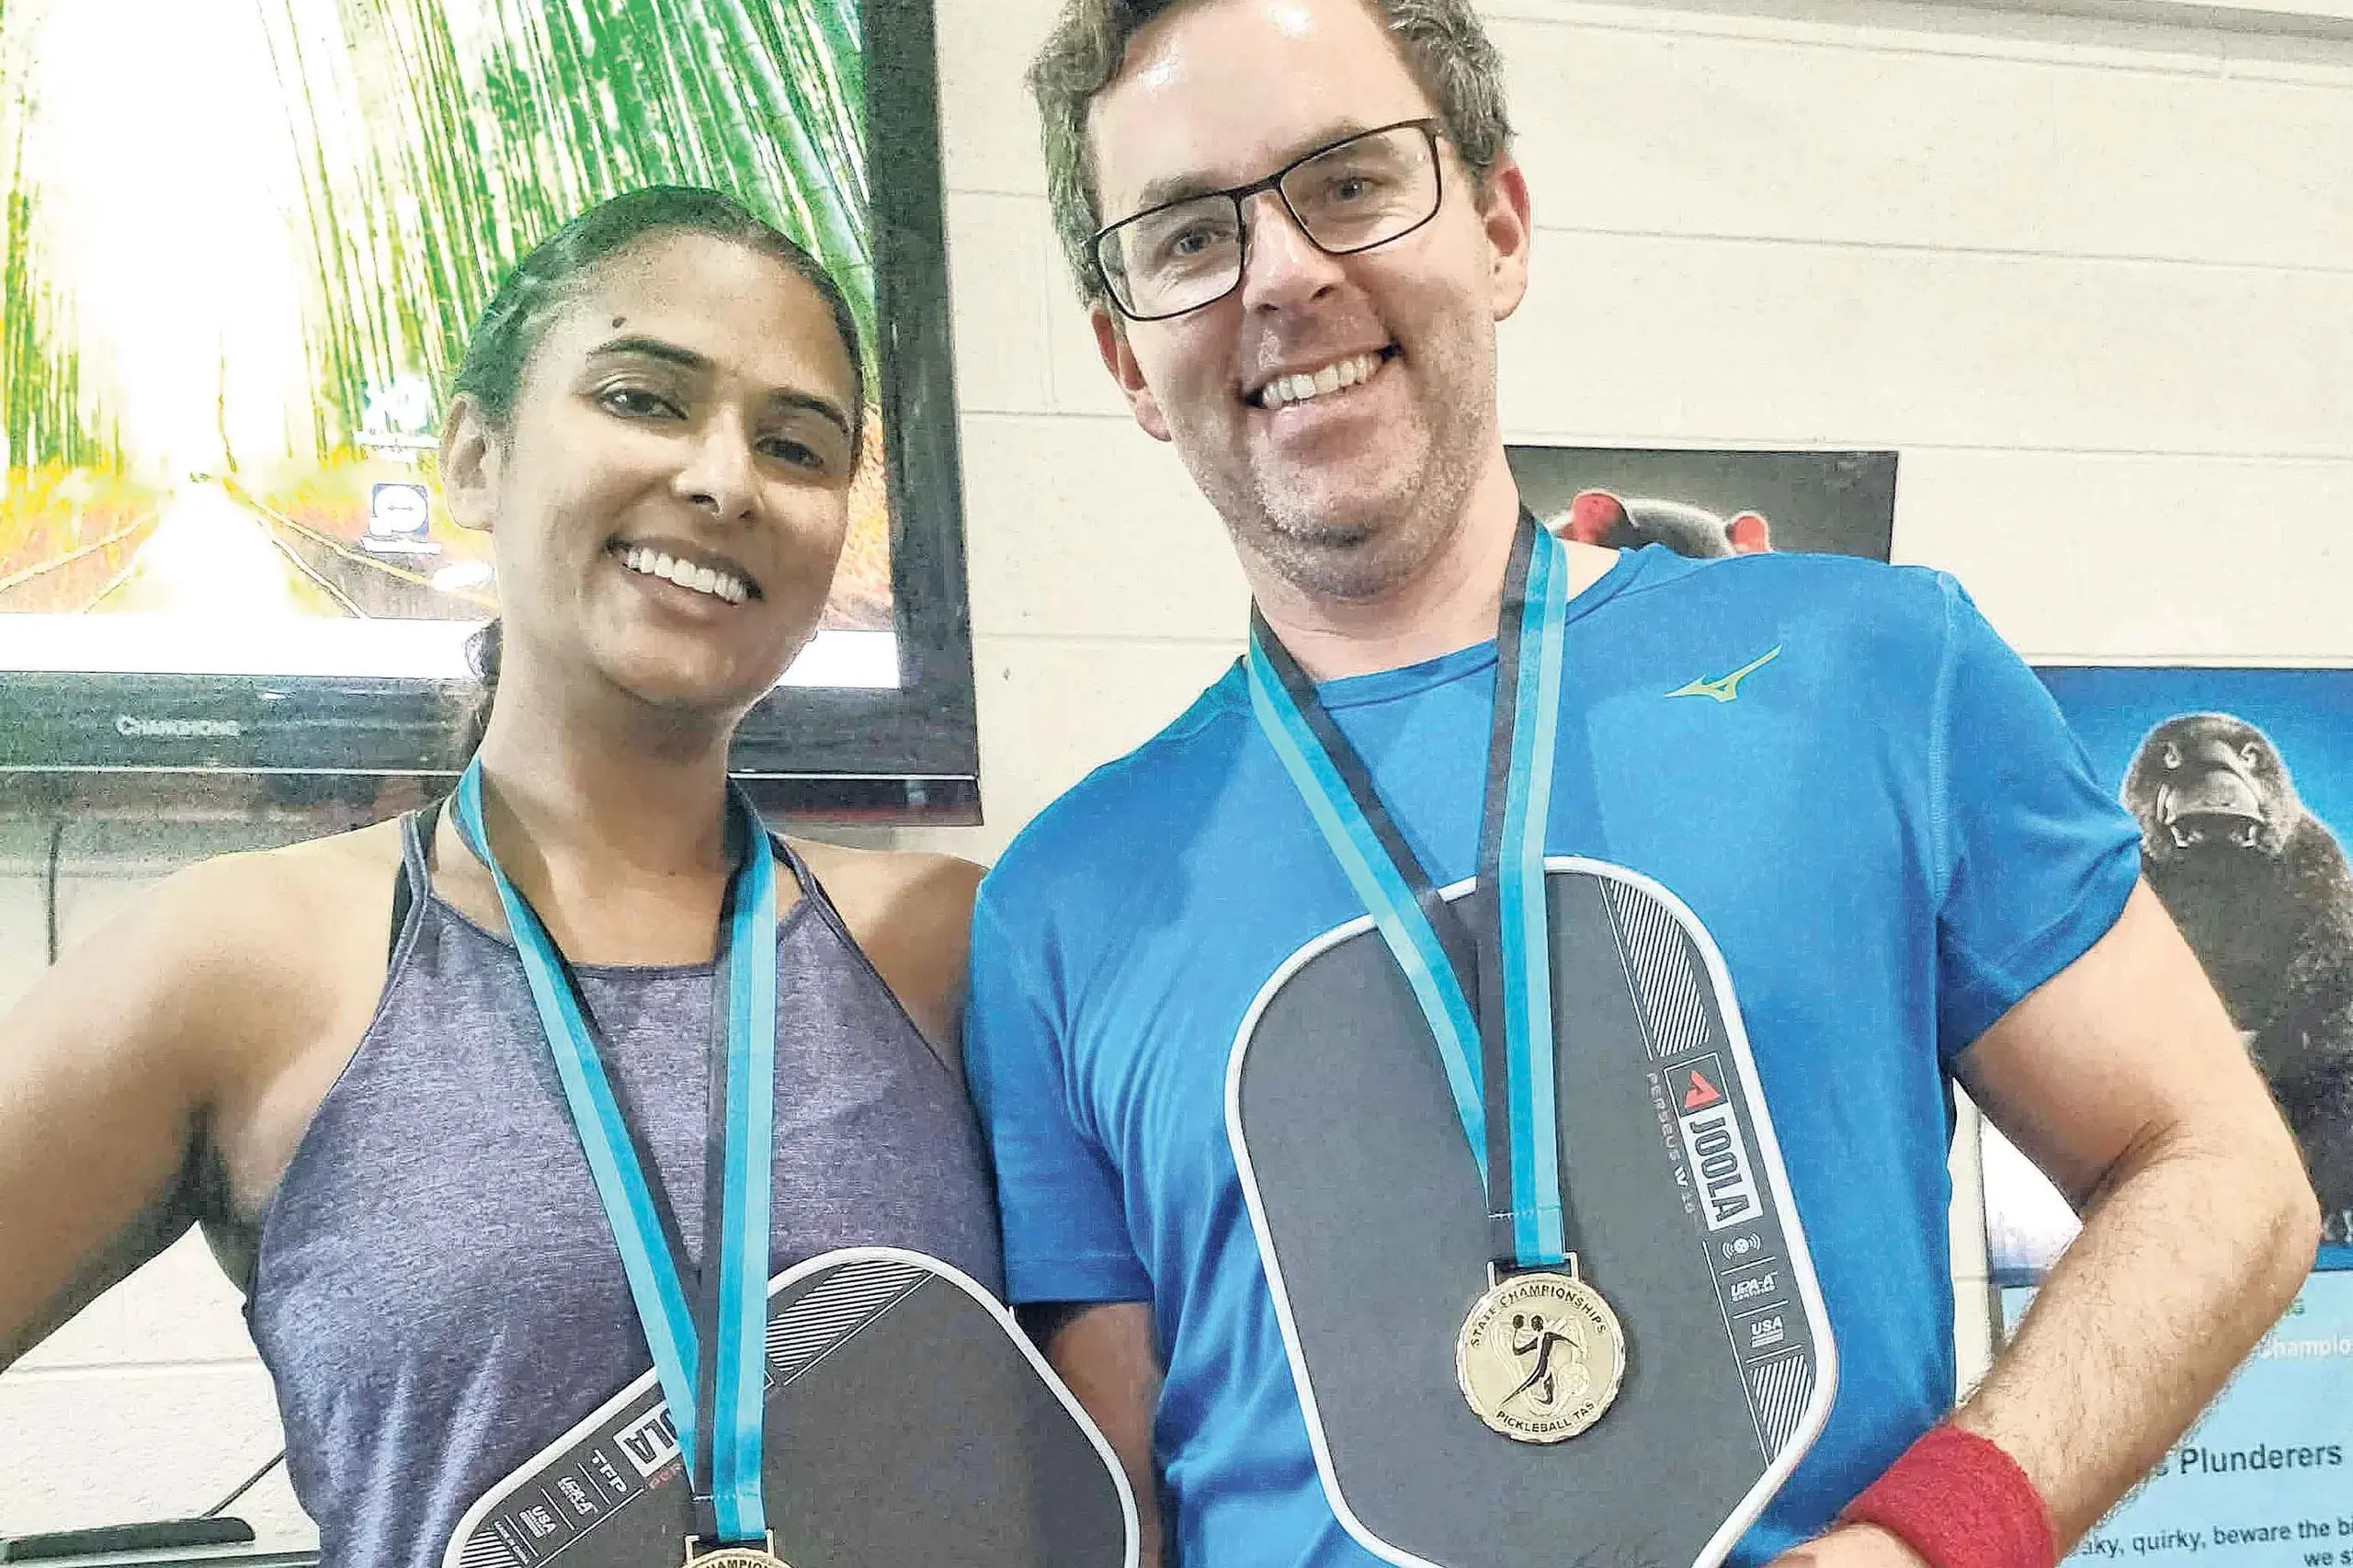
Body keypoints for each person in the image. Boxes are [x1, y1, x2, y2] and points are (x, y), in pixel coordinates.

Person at [963, 4, 2321, 1567]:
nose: (1280, 273)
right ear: (1126, 357)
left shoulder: (1879, 670)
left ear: (1500, 226)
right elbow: (1115, 1510)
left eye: (1346, 184)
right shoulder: (1060, 906)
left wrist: (1928, 1543)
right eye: (1189, 234)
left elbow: (2220, 1168)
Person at [0, 187, 999, 1568]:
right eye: (646, 399)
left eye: (795, 443)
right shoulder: (239, 963)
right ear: (473, 456)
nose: (725, 479)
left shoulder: (947, 948)